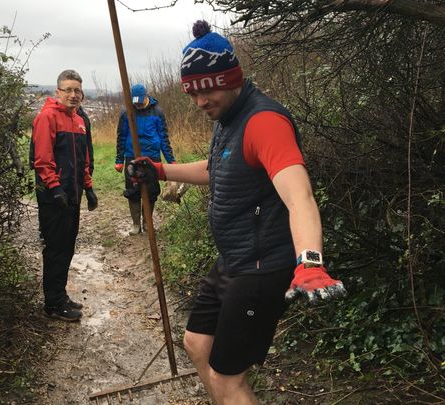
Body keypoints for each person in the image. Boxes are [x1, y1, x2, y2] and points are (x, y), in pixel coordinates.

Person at [128, 21, 346, 404]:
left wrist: (310, 261)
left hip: (261, 268)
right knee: (197, 343)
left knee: (228, 379)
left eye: (207, 89)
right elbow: (215, 170)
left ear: (231, 78)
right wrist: (160, 169)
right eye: (192, 93)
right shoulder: (228, 119)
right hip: (235, 258)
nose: (199, 102)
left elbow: (300, 197)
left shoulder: (264, 123)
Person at [30, 69, 98, 322]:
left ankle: (59, 295)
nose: (73, 94)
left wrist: (88, 187)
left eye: (77, 90)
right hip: (53, 196)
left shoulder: (79, 120)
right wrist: (55, 188)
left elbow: (84, 158)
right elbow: (42, 159)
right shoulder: (47, 117)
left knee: (68, 246)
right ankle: (52, 304)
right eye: (68, 90)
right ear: (58, 91)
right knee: (56, 248)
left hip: (73, 194)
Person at [115, 83, 176, 235]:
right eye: (134, 102)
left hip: (152, 157)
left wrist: (171, 160)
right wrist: (119, 160)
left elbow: (164, 137)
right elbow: (121, 137)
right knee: (133, 190)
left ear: (146, 97)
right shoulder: (126, 112)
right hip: (132, 156)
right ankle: (136, 224)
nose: (137, 105)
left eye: (140, 102)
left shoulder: (157, 112)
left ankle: (147, 222)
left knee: (151, 191)